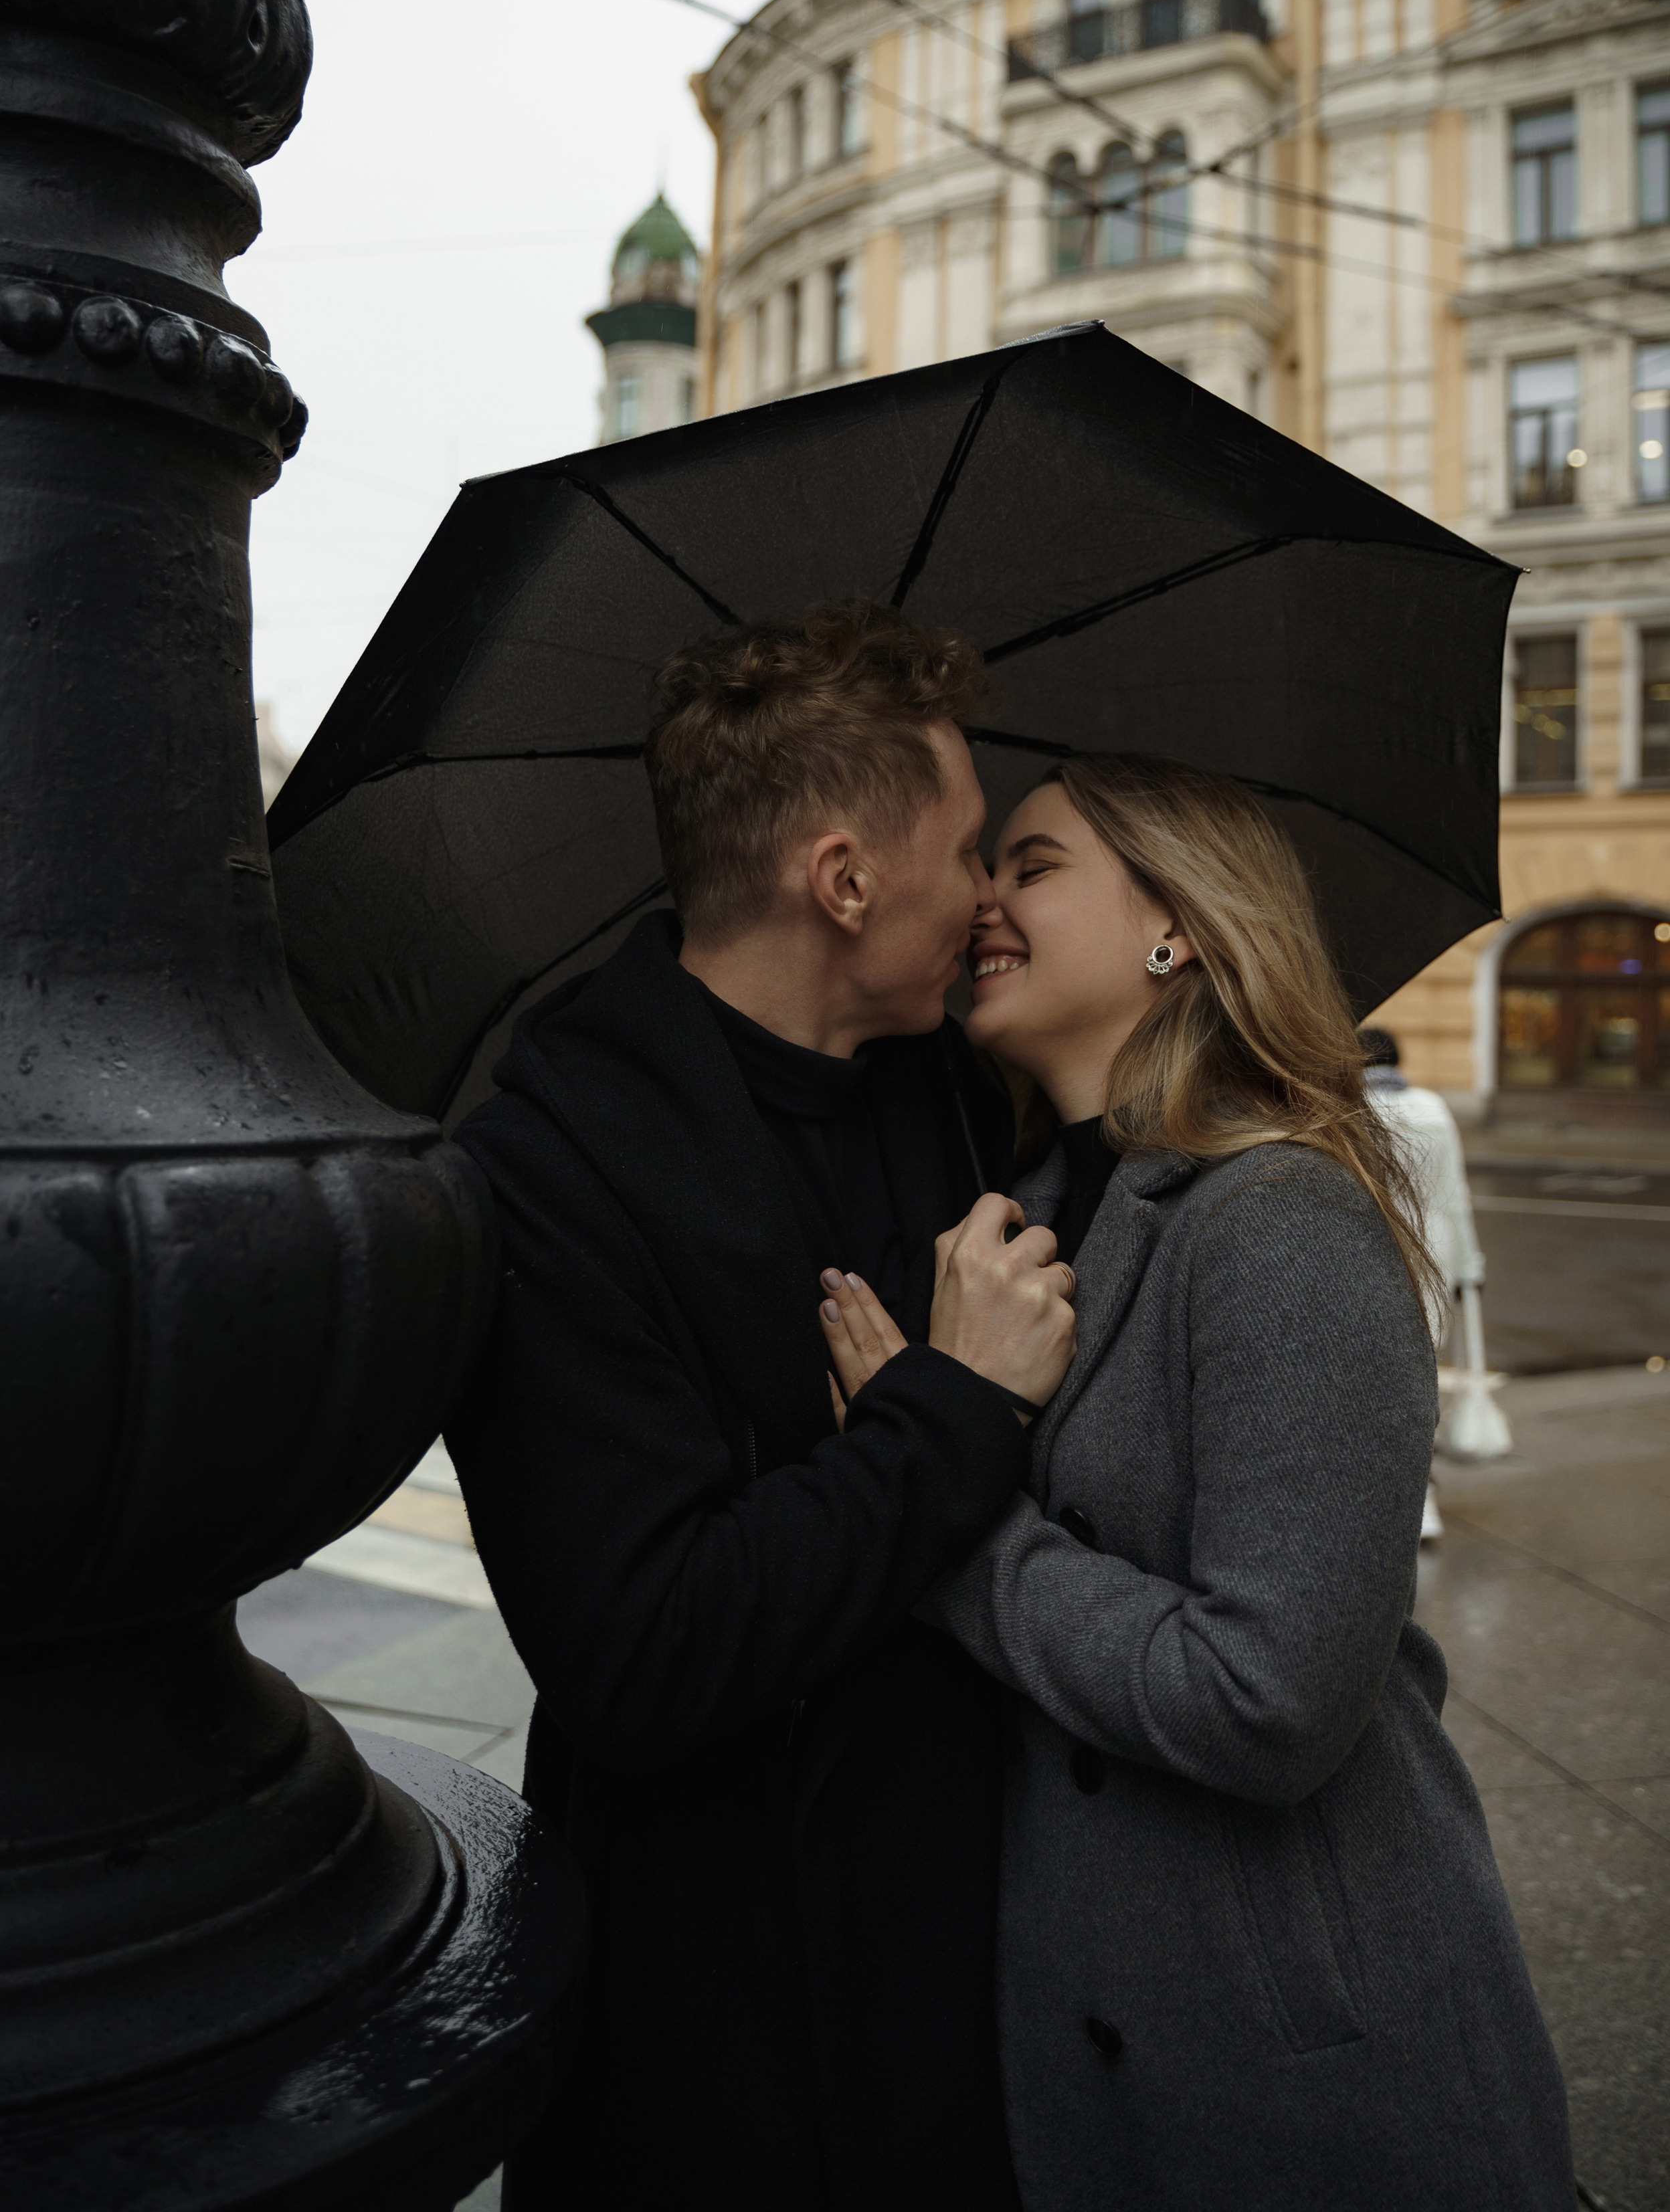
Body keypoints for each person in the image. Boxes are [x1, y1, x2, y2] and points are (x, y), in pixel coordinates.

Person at [819, 752, 1575, 2211]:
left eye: (1032, 865)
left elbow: (1271, 1697)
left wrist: (942, 1523)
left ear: (1175, 922)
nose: (983, 900)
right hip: (1093, 2059)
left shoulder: (1279, 1214)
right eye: (987, 867)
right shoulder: (1016, 1233)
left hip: (1312, 2071)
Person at [446, 601, 1076, 2212]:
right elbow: (644, 1646)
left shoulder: (954, 1088)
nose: (988, 895)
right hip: (723, 2020)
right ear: (843, 879)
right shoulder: (542, 1175)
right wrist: (946, 1412)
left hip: (964, 1959)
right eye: (965, 847)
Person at [1362, 1024, 1507, 1492]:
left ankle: (1397, 1483)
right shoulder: (1434, 1108)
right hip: (1434, 1252)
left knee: (1373, 1374)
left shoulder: (1349, 1114)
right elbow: (1455, 1197)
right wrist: (1470, 1267)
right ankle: (1421, 1481)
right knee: (1420, 1367)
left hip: (1369, 1249)